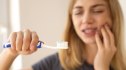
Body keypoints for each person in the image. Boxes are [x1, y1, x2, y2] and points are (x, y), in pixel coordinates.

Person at [0, 0, 126, 70]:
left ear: (113, 17)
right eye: (78, 12)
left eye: (97, 10)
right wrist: (10, 53)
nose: (86, 19)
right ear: (72, 20)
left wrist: (101, 67)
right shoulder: (55, 63)